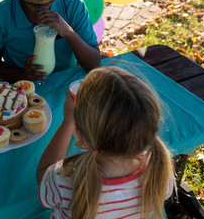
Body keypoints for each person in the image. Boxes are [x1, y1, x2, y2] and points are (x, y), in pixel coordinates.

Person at [37, 66, 174, 219]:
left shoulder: (65, 178)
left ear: (82, 139)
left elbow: (43, 178)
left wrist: (68, 121)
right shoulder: (159, 169)